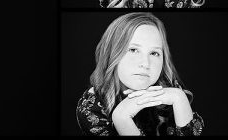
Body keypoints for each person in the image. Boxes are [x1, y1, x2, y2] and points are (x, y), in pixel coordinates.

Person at [76, 12, 204, 136]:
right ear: (112, 53)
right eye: (133, 50)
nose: (145, 63)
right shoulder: (92, 108)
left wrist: (179, 97)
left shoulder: (168, 85)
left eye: (154, 53)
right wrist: (122, 118)